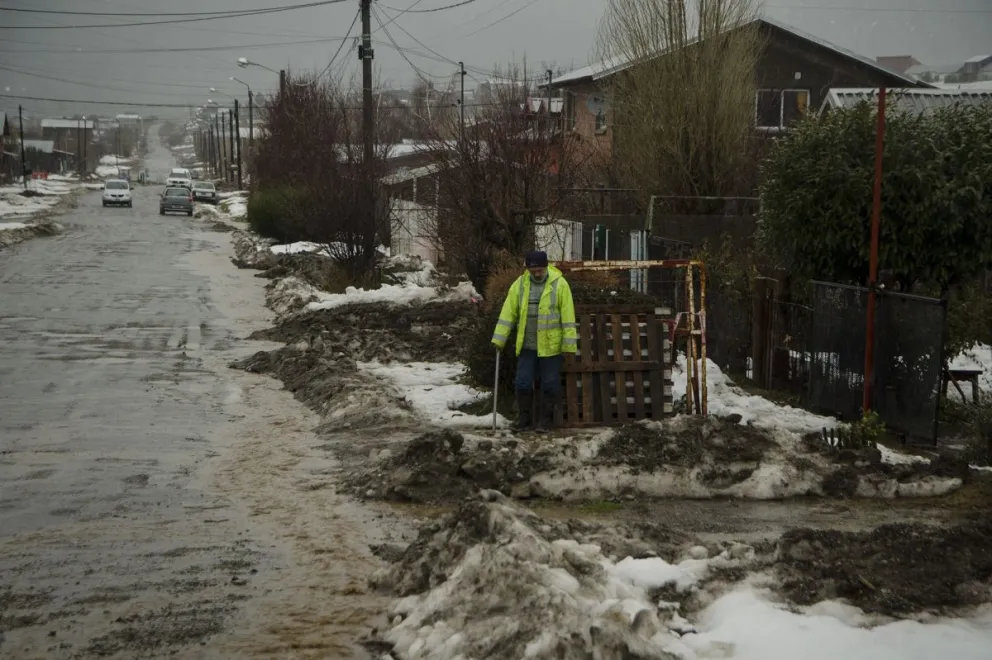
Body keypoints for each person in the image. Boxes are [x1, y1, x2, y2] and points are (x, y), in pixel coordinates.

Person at [491, 250, 578, 431]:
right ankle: (524, 420)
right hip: (527, 345)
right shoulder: (520, 285)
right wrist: (499, 339)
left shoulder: (559, 284)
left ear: (547, 267)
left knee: (550, 384)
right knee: (522, 382)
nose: (537, 274)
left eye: (540, 270)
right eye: (533, 271)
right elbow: (508, 313)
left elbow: (568, 316)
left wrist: (568, 346)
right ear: (528, 270)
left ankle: (545, 421)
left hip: (551, 347)